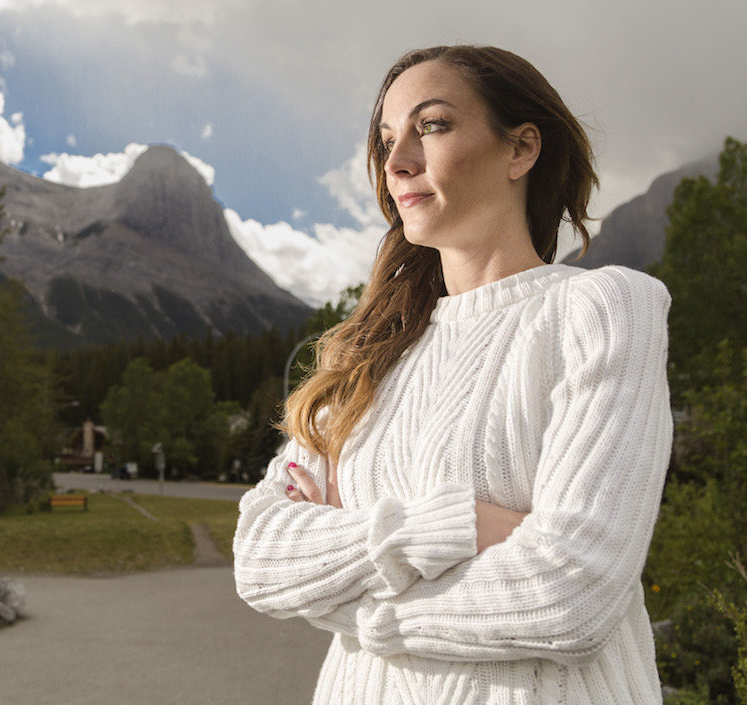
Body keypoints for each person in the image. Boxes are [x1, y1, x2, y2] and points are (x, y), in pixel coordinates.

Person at [233, 45, 672, 704]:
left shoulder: (599, 308)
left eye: (431, 125)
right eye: (386, 140)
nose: (398, 159)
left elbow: (572, 591)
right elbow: (262, 554)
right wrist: (453, 526)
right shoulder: (366, 355)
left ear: (521, 150)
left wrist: (365, 612)